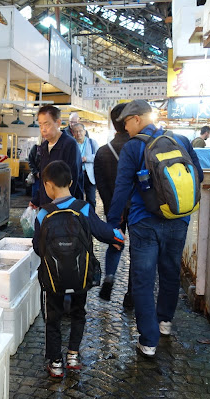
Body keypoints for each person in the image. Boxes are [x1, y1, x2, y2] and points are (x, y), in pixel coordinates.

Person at [107, 100, 203, 358]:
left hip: (144, 222)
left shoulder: (133, 147)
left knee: (143, 279)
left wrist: (113, 224)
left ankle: (148, 341)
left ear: (137, 119)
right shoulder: (181, 139)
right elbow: (199, 176)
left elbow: (122, 190)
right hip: (178, 219)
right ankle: (165, 323)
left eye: (126, 122)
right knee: (170, 271)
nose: (125, 128)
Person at [32, 160, 124, 378]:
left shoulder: (42, 214)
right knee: (78, 313)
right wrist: (117, 238)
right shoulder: (83, 208)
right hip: (80, 276)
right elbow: (103, 232)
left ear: (47, 185)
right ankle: (73, 355)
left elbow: (38, 248)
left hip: (53, 279)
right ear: (71, 183)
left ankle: (55, 362)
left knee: (52, 318)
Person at [94, 103, 132, 306]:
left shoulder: (102, 152)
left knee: (115, 243)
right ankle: (131, 293)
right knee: (139, 250)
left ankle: (109, 276)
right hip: (138, 207)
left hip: (114, 207)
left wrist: (111, 212)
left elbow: (101, 187)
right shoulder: (139, 147)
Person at [30, 105, 80, 209]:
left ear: (58, 123)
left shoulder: (69, 145)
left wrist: (64, 207)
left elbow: (74, 179)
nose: (43, 129)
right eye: (40, 125)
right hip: (46, 206)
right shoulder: (43, 147)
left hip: (64, 207)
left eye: (46, 124)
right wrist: (36, 200)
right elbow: (45, 179)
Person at [72, 123, 98, 207]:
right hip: (76, 174)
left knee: (91, 199)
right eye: (76, 131)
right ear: (73, 133)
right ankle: (79, 219)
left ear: (85, 132)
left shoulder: (91, 142)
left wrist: (86, 158)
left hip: (89, 175)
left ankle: (91, 218)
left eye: (80, 131)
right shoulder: (71, 144)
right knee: (78, 199)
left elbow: (98, 157)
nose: (78, 133)